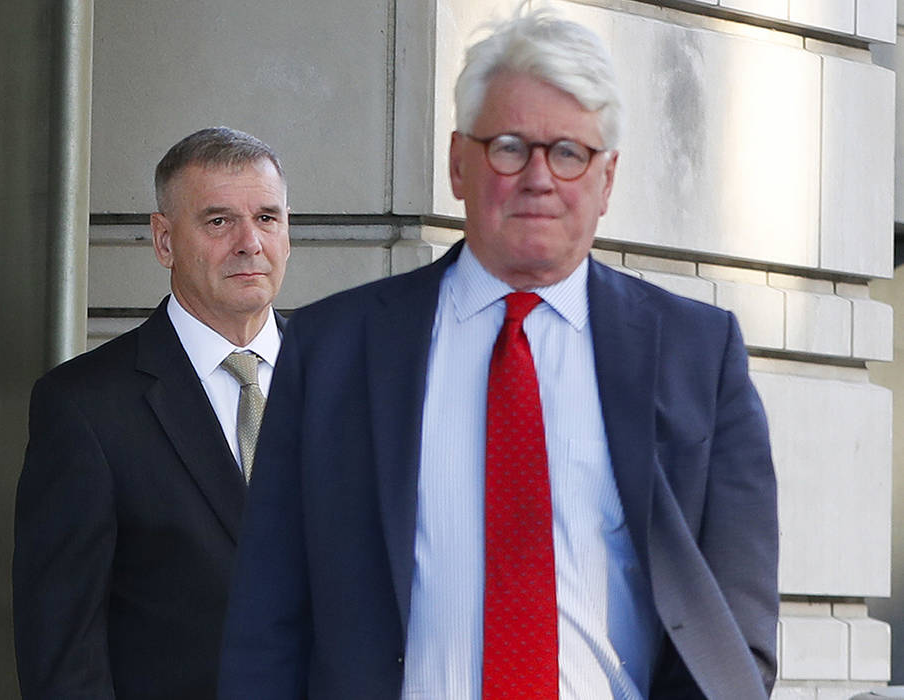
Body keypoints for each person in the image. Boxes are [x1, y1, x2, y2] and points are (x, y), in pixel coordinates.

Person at [219, 9, 777, 700]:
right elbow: (265, 626)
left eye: (569, 152)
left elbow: (736, 631)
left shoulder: (698, 354)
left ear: (607, 179)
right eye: (510, 146)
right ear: (459, 163)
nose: (540, 177)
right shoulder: (333, 352)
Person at [13, 126, 291, 699]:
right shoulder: (84, 408)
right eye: (219, 221)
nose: (250, 242)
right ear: (163, 241)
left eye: (267, 218)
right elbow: (64, 654)